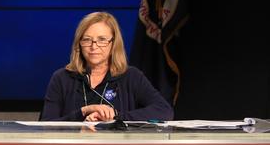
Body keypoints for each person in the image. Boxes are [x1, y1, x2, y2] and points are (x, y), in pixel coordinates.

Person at [40, 12, 173, 123]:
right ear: (79, 44)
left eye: (102, 39)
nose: (94, 46)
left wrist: (116, 117)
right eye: (87, 39)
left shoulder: (132, 76)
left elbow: (164, 111)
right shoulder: (61, 78)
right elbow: (46, 124)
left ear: (113, 44)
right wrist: (83, 112)